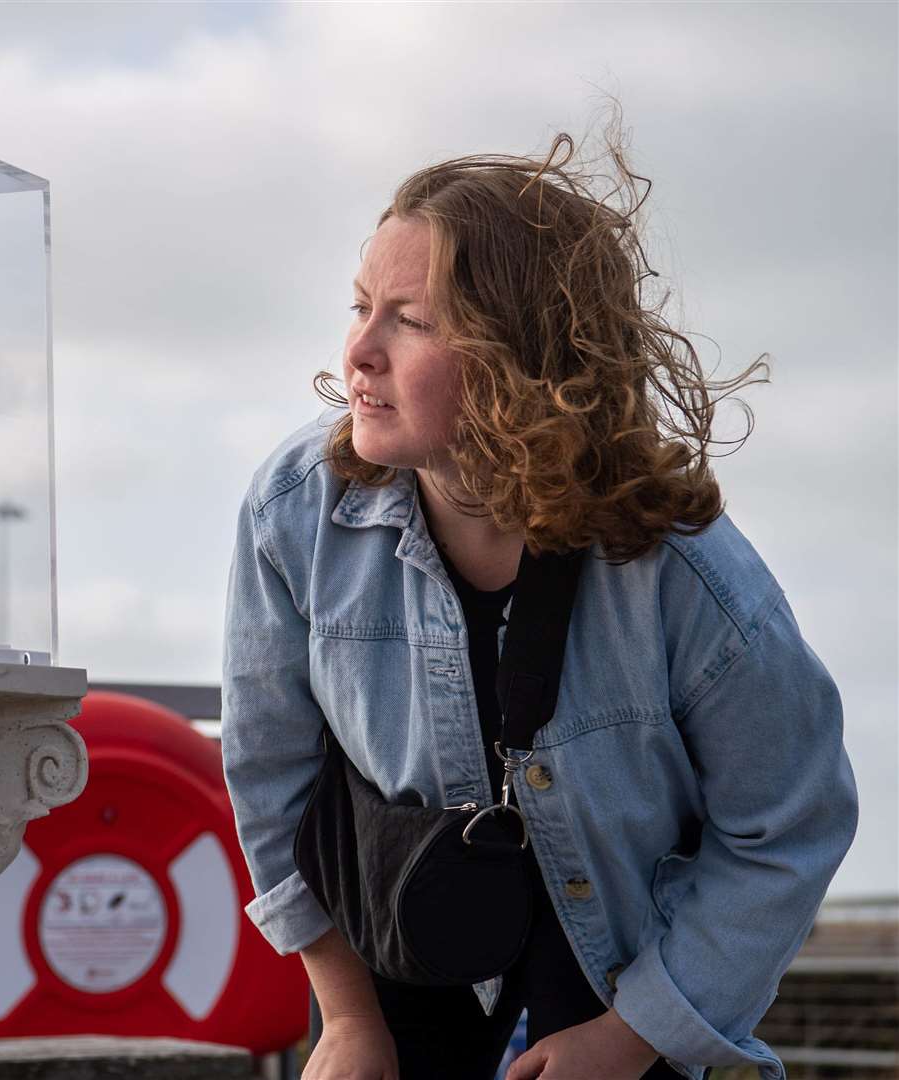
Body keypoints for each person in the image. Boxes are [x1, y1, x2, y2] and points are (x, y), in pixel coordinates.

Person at [219, 113, 859, 1080]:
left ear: (523, 358)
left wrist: (632, 1039)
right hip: (394, 988)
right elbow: (270, 778)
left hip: (617, 998)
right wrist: (346, 1021)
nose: (359, 352)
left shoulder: (687, 576)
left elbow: (790, 825)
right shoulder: (292, 510)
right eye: (360, 307)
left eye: (412, 320)